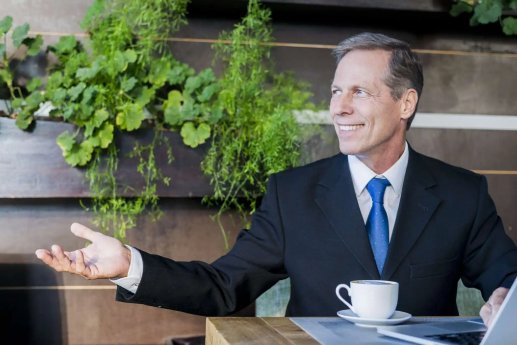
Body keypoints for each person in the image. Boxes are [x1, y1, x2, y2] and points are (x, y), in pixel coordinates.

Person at [35, 32, 517, 327]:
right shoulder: (291, 195)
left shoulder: (461, 194)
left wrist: (503, 299)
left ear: (405, 104)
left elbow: (508, 279)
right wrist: (129, 265)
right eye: (335, 91)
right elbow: (224, 287)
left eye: (359, 92)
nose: (339, 107)